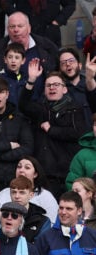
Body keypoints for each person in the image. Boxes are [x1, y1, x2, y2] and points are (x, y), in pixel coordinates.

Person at [18, 59, 90, 195]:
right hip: (44, 172)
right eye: (48, 85)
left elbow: (78, 133)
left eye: (56, 85)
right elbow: (23, 105)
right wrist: (31, 80)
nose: (52, 88)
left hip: (66, 172)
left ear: (64, 89)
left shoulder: (74, 109)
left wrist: (52, 130)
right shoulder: (40, 109)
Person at [0, 156, 58, 224]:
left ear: (35, 174)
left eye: (27, 168)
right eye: (19, 167)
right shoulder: (3, 193)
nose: (21, 170)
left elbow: (52, 223)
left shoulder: (46, 196)